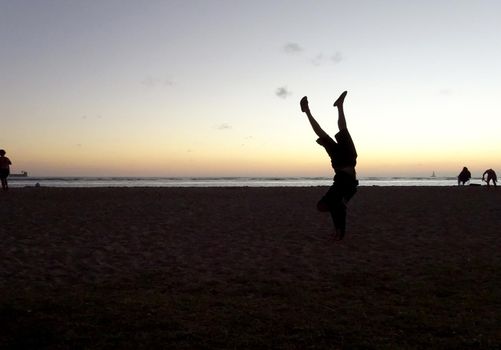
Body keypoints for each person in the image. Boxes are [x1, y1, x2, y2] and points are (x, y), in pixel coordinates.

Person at [300, 91, 358, 240]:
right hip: (345, 170)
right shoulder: (345, 159)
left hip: (346, 172)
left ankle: (339, 105)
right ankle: (308, 112)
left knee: (340, 130)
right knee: (333, 205)